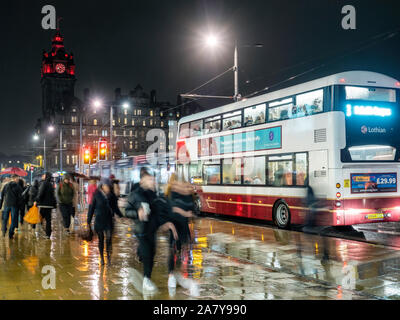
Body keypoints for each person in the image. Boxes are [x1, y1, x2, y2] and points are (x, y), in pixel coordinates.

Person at [125, 169, 178, 294]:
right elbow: (127, 211)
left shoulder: (154, 195)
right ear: (143, 180)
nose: (153, 182)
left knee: (152, 253)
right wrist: (137, 214)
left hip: (152, 229)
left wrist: (165, 223)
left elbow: (157, 213)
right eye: (150, 179)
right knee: (147, 254)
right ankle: (146, 280)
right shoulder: (135, 194)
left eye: (153, 180)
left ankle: (146, 279)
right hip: (141, 230)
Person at [165, 176, 196, 293]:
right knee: (172, 250)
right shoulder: (171, 194)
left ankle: (184, 274)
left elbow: (192, 210)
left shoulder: (187, 196)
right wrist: (183, 212)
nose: (179, 187)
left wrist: (190, 215)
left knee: (185, 250)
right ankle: (171, 275)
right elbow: (172, 209)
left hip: (184, 226)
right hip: (173, 226)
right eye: (176, 184)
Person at [87, 178, 123, 266]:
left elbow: (115, 208)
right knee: (101, 240)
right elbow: (91, 208)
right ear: (102, 186)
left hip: (109, 220)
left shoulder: (112, 196)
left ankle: (109, 257)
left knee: (109, 239)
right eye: (105, 186)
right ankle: (102, 258)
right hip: (99, 221)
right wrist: (88, 221)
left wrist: (122, 216)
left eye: (108, 186)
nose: (107, 188)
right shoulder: (97, 194)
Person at [34, 172, 57, 239]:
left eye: (44, 175)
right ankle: (48, 234)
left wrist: (36, 200)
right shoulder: (50, 184)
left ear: (46, 176)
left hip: (43, 205)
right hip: (49, 205)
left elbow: (40, 193)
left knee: (39, 219)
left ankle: (38, 230)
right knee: (48, 220)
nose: (42, 175)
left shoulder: (44, 183)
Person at [0, 175, 23, 239]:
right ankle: (10, 233)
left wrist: (1, 205)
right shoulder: (18, 187)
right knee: (13, 220)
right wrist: (20, 206)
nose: (18, 180)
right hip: (14, 205)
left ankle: (4, 230)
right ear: (14, 179)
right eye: (17, 179)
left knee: (5, 219)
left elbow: (2, 196)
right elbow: (20, 198)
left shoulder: (6, 186)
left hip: (6, 204)